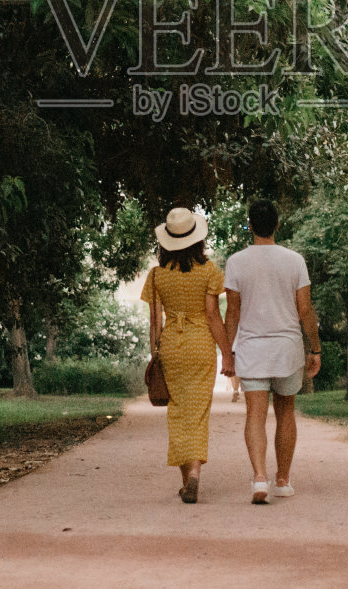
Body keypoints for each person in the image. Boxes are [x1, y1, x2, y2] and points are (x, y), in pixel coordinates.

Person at [223, 199, 320, 504]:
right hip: (287, 348)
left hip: (252, 349)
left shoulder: (236, 262)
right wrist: (315, 348)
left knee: (254, 415)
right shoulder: (294, 261)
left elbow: (233, 312)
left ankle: (259, 479)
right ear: (278, 224)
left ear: (249, 226)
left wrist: (228, 353)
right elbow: (305, 310)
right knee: (286, 413)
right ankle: (283, 479)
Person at [141, 206, 235, 503]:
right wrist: (227, 354)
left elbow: (155, 321)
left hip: (171, 345)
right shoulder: (209, 271)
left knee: (178, 411)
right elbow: (212, 316)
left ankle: (186, 481)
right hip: (200, 345)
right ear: (197, 240)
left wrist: (155, 354)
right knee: (197, 412)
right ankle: (194, 474)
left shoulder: (156, 276)